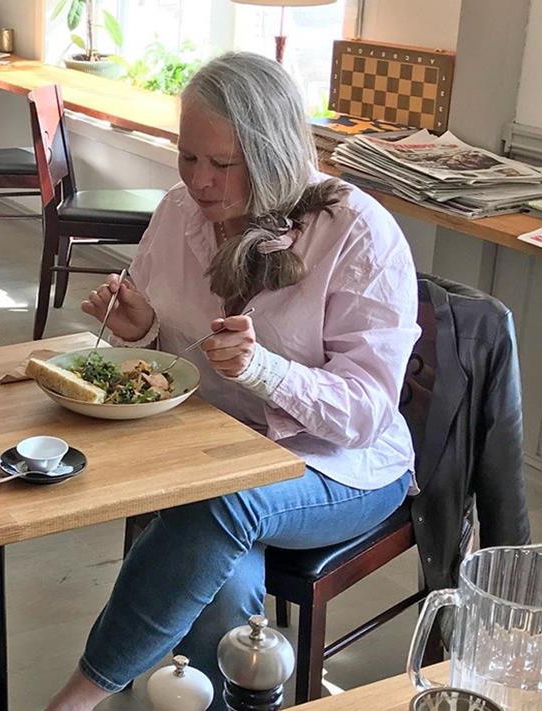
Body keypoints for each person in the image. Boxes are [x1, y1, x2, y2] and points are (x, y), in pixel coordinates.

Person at [46, 52, 419, 710]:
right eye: (187, 156)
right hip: (218, 447)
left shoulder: (357, 232)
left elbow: (366, 413)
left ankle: (78, 697)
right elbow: (168, 349)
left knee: (219, 501)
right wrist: (140, 326)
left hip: (343, 467)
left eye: (223, 163)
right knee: (222, 577)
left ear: (273, 154)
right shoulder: (177, 212)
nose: (199, 180)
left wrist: (265, 369)